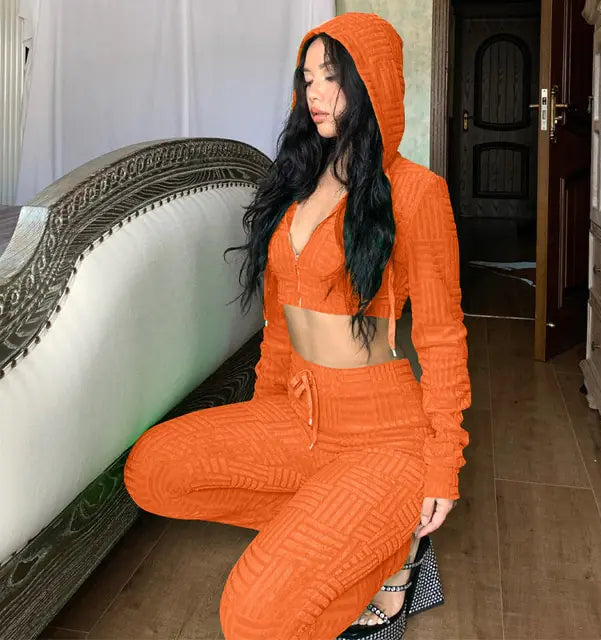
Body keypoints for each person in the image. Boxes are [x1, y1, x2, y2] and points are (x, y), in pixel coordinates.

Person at [124, 12, 471, 640]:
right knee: (152, 470)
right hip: (298, 413)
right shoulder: (298, 181)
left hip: (382, 435)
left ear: (371, 82)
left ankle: (395, 556)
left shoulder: (416, 192)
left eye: (331, 77)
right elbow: (280, 326)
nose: (315, 93)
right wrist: (263, 423)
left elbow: (442, 338)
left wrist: (442, 465)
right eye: (307, 79)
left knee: (251, 619)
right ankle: (353, 529)